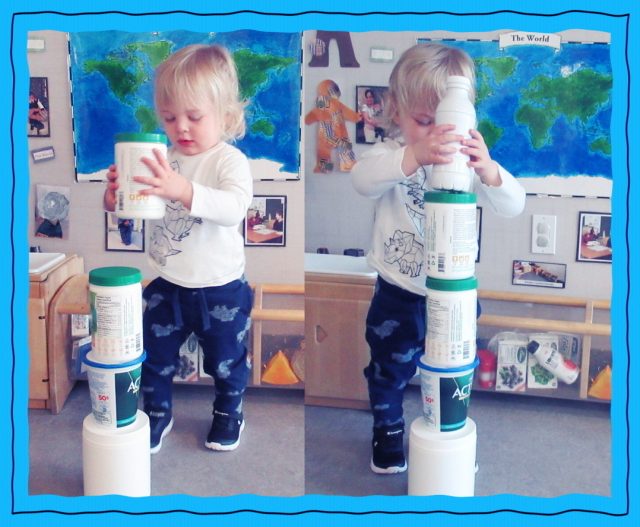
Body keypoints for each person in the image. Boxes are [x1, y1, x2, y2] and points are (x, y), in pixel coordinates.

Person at [351, 43, 526, 475]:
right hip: (399, 292)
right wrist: (411, 157)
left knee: (454, 370)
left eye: (443, 121)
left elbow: (514, 204)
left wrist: (488, 170)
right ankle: (388, 432)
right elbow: (362, 180)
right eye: (423, 122)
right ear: (397, 111)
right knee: (387, 371)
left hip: (456, 297)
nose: (435, 134)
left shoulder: (468, 158)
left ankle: (449, 439)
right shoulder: (391, 153)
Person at [103, 44, 253, 454]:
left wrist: (182, 189)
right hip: (167, 284)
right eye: (170, 118)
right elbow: (134, 214)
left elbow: (234, 208)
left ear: (225, 115)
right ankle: (156, 412)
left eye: (194, 116)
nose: (181, 127)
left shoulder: (229, 161)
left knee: (227, 361)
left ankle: (228, 412)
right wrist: (117, 196)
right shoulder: (161, 158)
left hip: (221, 288)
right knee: (153, 357)